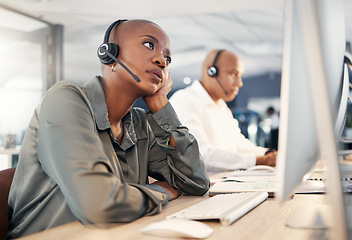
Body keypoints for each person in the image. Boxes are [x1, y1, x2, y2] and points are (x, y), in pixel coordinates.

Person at [6, 19, 209, 239]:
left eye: (167, 58)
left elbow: (195, 183)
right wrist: (162, 191)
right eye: (149, 45)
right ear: (108, 54)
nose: (162, 61)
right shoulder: (65, 100)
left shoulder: (139, 124)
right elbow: (100, 204)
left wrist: (161, 105)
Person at [169, 49, 276, 175]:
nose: (239, 83)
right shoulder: (185, 100)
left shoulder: (221, 106)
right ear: (211, 71)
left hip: (225, 183)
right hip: (201, 190)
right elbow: (201, 154)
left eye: (240, 76)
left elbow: (239, 144)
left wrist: (268, 154)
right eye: (234, 74)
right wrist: (260, 161)